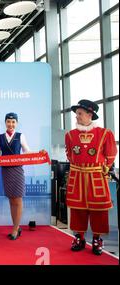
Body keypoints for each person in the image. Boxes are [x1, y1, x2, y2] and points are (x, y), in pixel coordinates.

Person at [65, 99, 117, 255]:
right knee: (77, 209)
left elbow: (111, 154)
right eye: (76, 114)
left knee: (98, 210)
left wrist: (105, 168)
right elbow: (69, 153)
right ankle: (79, 237)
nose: (77, 117)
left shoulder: (104, 133)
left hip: (96, 177)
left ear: (90, 114)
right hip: (77, 176)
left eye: (80, 114)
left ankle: (97, 239)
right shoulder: (70, 135)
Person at [0, 112, 46, 240]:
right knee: (11, 199)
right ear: (5, 122)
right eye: (8, 122)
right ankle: (16, 226)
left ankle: (15, 228)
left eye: (13, 122)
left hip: (17, 170)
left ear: (16, 123)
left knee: (17, 199)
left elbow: (27, 151)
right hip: (5, 170)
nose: (11, 124)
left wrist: (38, 153)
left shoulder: (20, 136)